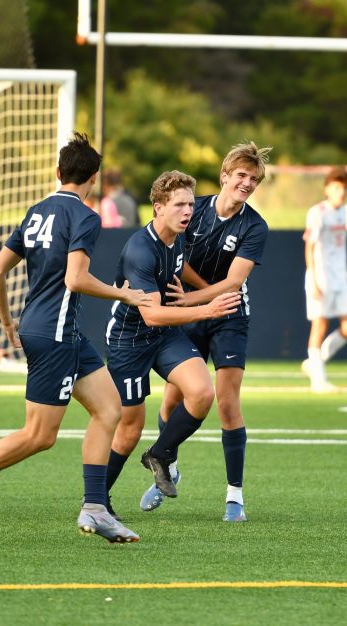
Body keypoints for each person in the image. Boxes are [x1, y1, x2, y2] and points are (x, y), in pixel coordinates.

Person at [0, 133, 151, 543]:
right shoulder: (85, 216)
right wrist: (124, 292)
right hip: (56, 335)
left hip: (51, 330)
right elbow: (76, 278)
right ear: (94, 178)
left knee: (110, 409)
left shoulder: (36, 211)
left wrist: (9, 323)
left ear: (58, 172)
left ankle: (95, 508)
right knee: (38, 435)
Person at [147, 141, 272, 523]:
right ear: (224, 176)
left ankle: (235, 496)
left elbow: (235, 282)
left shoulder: (255, 225)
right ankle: (166, 464)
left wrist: (193, 300)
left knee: (227, 403)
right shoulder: (193, 209)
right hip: (192, 307)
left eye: (253, 179)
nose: (247, 183)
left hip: (229, 314)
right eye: (241, 176)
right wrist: (195, 303)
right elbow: (176, 258)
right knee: (171, 402)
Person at [103, 171, 241, 517]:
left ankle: (160, 454)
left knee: (202, 393)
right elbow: (151, 316)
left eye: (191, 204)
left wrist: (207, 287)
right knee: (130, 427)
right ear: (157, 209)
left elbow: (182, 268)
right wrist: (205, 306)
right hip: (129, 339)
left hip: (162, 336)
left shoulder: (176, 238)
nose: (187, 211)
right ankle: (97, 499)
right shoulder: (140, 250)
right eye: (179, 204)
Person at [301, 167, 347, 393]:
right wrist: (313, 278)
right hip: (320, 276)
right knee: (320, 325)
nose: (340, 192)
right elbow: (310, 246)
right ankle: (318, 382)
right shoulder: (317, 212)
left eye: (344, 188)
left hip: (340, 277)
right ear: (327, 189)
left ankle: (314, 364)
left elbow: (340, 248)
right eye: (336, 187)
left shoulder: (344, 212)